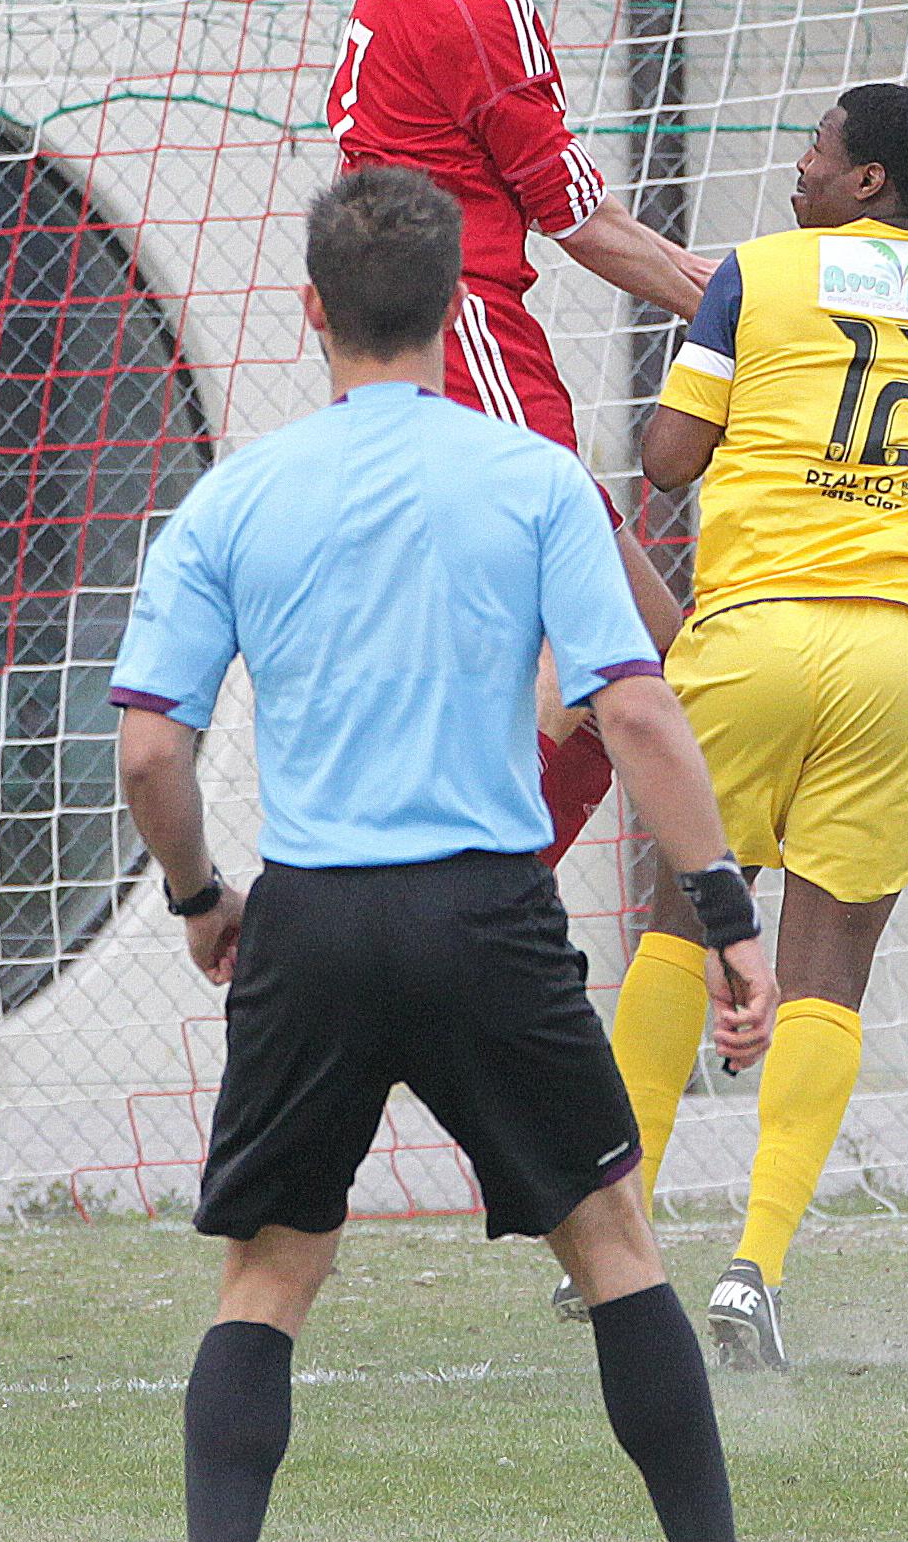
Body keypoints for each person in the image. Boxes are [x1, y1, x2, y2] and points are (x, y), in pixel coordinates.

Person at [112, 166, 769, 1542]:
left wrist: (198, 894)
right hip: (489, 912)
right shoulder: (531, 479)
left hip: (314, 918)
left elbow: (152, 753)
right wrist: (723, 910)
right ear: (457, 301)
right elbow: (638, 704)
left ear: (311, 310)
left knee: (270, 1275)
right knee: (612, 1249)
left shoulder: (237, 498)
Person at [597, 83, 908, 1369]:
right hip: (899, 652)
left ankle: (624, 1235)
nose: (795, 172)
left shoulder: (756, 278)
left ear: (867, 180)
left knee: (678, 922)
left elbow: (663, 459)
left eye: (815, 153)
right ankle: (756, 1266)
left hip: (752, 637)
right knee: (830, 969)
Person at [330, 0, 715, 862]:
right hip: (470, 341)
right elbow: (577, 215)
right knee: (617, 661)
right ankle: (485, 900)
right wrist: (730, 299)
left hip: (409, 349)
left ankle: (484, 904)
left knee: (638, 655)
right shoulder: (469, 1)